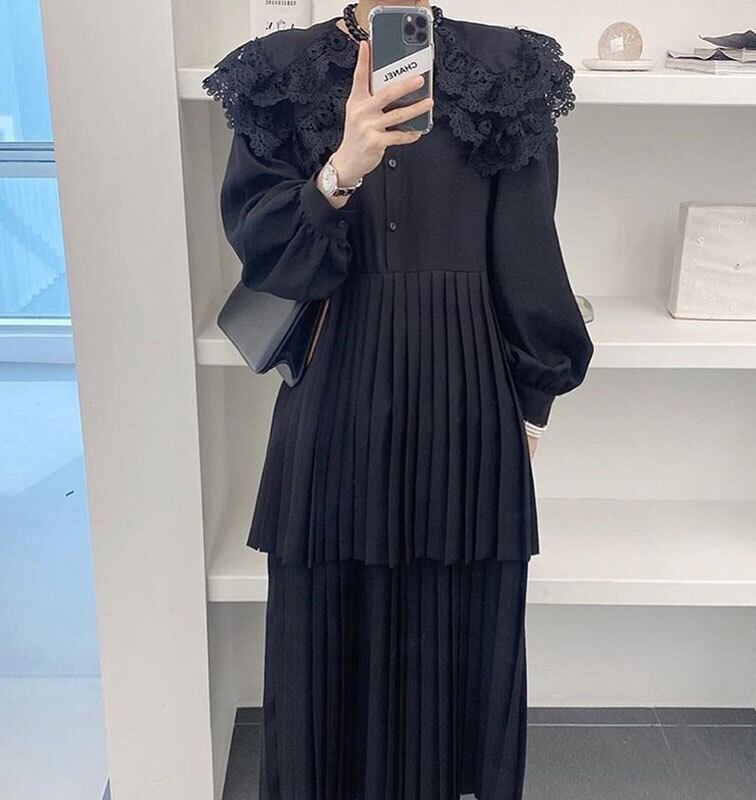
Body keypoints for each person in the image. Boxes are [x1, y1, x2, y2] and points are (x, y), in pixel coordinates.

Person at [203, 2, 594, 798]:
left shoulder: (507, 69)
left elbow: (527, 249)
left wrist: (533, 399)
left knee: (457, 622)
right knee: (326, 616)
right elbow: (266, 253)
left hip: (468, 389)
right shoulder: (277, 73)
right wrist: (339, 171)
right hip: (336, 383)